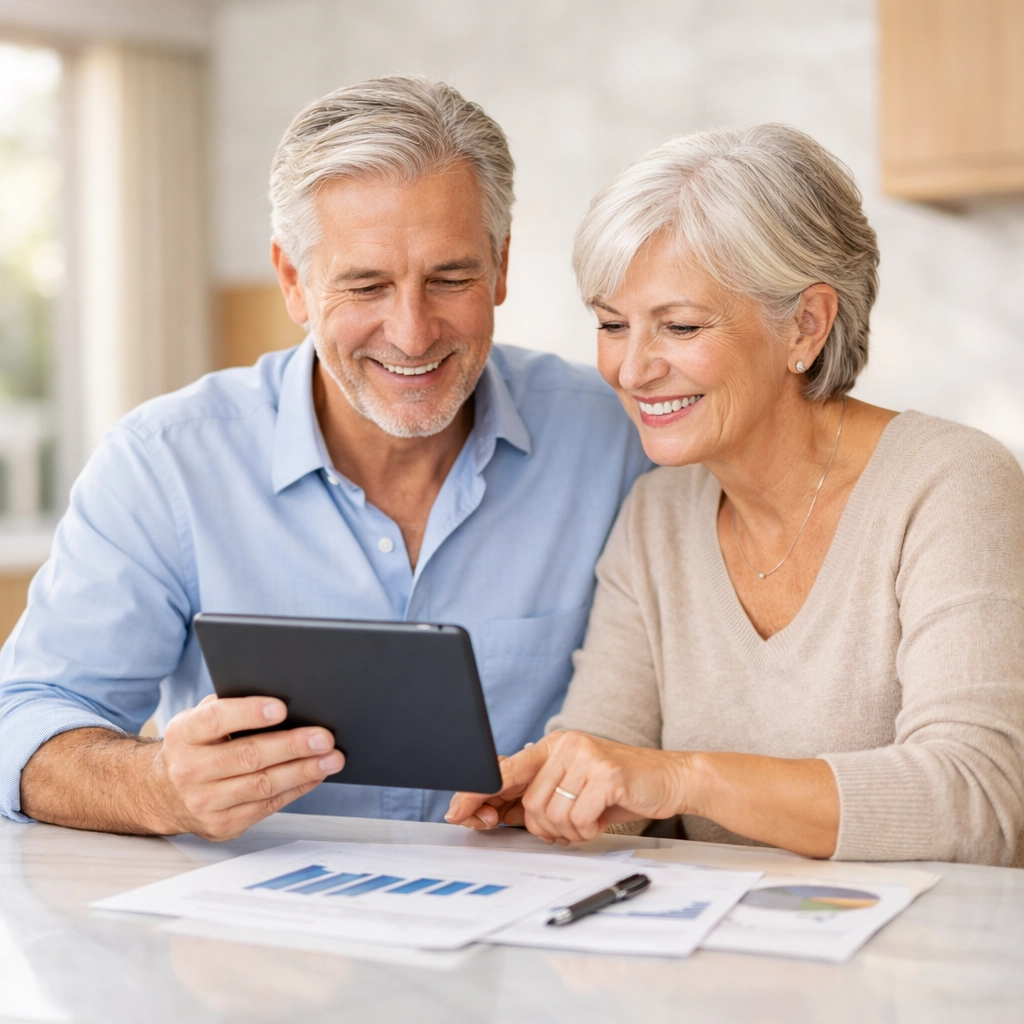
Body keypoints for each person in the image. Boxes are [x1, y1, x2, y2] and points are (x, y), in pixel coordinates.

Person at [0, 77, 649, 840]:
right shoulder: (165, 464)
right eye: (366, 284)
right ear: (293, 281)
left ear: (501, 268)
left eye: (450, 278)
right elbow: (25, 719)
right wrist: (157, 787)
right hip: (260, 941)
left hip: (531, 930)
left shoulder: (618, 443)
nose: (411, 334)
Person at [448, 124, 1024, 866]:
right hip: (717, 968)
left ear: (806, 327)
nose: (632, 368)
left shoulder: (951, 484)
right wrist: (559, 791)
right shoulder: (656, 515)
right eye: (612, 325)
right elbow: (619, 772)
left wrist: (684, 778)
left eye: (680, 326)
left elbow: (981, 800)